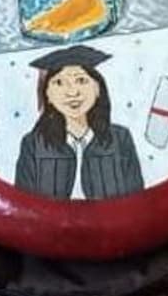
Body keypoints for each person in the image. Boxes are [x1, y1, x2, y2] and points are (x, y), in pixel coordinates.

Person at [16, 45, 144, 201]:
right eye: (59, 82)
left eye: (81, 80)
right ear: (47, 95)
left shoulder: (119, 139)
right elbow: (24, 205)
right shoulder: (34, 145)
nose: (72, 92)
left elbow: (137, 200)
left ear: (97, 88)